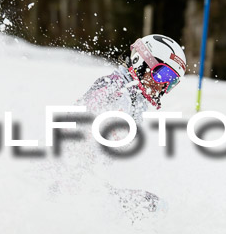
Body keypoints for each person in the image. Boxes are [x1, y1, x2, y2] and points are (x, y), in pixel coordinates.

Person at [76, 34, 187, 218]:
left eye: (171, 82)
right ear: (141, 61)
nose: (163, 86)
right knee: (153, 209)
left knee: (154, 207)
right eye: (163, 75)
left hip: (86, 183)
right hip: (71, 182)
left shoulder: (135, 98)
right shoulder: (116, 89)